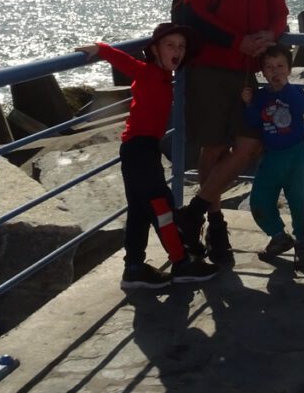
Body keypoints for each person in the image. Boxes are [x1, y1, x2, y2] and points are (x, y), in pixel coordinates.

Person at [176, 0, 289, 266]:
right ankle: (216, 224)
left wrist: (268, 37)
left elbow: (281, 15)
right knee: (212, 149)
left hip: (244, 71)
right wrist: (238, 41)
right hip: (209, 68)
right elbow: (194, 14)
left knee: (249, 144)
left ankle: (192, 211)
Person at [76, 24, 218, 290]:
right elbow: (127, 63)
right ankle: (181, 262)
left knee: (140, 211)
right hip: (138, 150)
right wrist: (102, 49)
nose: (177, 50)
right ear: (154, 49)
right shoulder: (148, 72)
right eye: (169, 45)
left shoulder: (165, 76)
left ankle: (134, 268)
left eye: (181, 46)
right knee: (161, 205)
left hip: (141, 149)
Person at [242, 44, 304, 271]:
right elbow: (255, 122)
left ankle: (302, 244)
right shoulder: (261, 97)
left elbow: (300, 107)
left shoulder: (295, 92)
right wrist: (248, 103)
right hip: (271, 156)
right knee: (259, 201)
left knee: (299, 202)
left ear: (289, 70)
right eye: (269, 67)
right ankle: (278, 235)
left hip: (296, 156)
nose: (275, 72)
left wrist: (285, 88)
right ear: (262, 72)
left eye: (280, 66)